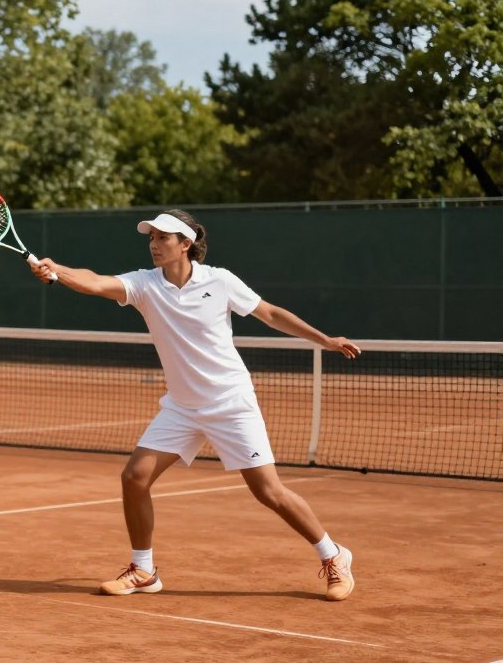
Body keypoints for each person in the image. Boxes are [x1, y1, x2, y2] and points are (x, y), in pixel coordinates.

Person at [30, 210, 361, 601]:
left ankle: (334, 555)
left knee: (268, 491)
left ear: (185, 244)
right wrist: (59, 271)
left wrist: (323, 339)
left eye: (163, 238)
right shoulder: (144, 284)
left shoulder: (219, 280)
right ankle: (144, 570)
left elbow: (268, 312)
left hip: (230, 402)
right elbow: (98, 283)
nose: (154, 244)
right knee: (134, 477)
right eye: (150, 238)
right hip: (182, 407)